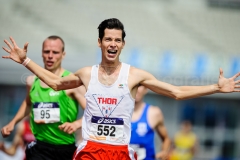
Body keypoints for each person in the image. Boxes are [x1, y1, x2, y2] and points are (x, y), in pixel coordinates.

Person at [1, 18, 240, 160]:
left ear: (123, 44)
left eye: (117, 40)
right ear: (100, 42)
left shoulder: (134, 75)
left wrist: (215, 88)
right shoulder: (87, 73)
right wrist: (25, 61)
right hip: (90, 150)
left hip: (120, 151)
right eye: (108, 39)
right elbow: (54, 82)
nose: (112, 44)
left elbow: (176, 92)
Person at [1, 35, 86, 160]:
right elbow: (28, 103)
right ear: (42, 53)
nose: (50, 56)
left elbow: (93, 112)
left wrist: (76, 124)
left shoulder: (71, 83)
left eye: (55, 52)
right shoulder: (31, 81)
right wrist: (13, 123)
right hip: (39, 147)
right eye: (47, 51)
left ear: (63, 54)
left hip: (65, 148)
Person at [130, 85, 171, 160]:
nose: (136, 89)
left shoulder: (154, 113)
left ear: (146, 89)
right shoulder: (118, 113)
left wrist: (164, 152)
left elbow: (166, 139)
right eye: (134, 85)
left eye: (139, 86)